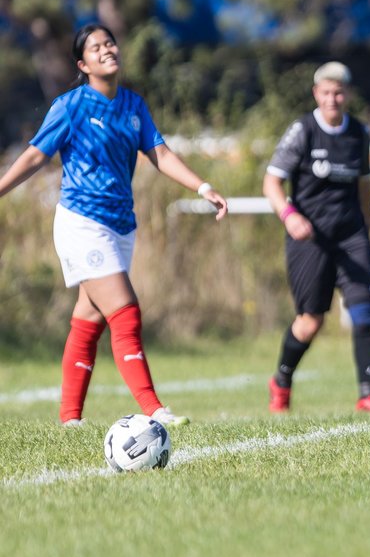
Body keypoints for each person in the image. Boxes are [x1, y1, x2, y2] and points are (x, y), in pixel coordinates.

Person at [0, 23, 228, 426]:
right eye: (96, 47)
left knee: (89, 320)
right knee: (125, 311)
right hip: (82, 223)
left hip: (122, 226)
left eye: (110, 43)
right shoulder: (70, 106)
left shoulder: (133, 105)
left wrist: (202, 186)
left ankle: (69, 420)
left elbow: (160, 153)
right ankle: (155, 410)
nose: (107, 49)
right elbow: (36, 156)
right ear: (82, 63)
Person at [263, 61, 370, 415]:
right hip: (310, 239)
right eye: (326, 93)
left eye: (338, 93)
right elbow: (272, 183)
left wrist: (366, 224)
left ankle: (367, 393)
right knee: (310, 321)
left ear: (347, 95)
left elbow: (364, 185)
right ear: (316, 94)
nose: (332, 99)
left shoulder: (358, 134)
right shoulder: (303, 131)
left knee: (364, 311)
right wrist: (289, 216)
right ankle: (282, 380)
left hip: (351, 236)